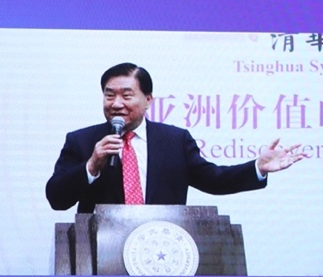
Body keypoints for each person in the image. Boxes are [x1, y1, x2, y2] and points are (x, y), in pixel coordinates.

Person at [46, 62, 305, 213]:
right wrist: (91, 165)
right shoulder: (81, 141)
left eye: (126, 95)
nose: (116, 103)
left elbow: (214, 180)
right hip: (100, 257)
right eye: (109, 95)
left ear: (148, 100)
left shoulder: (175, 141)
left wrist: (257, 167)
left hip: (164, 251)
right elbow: (56, 199)